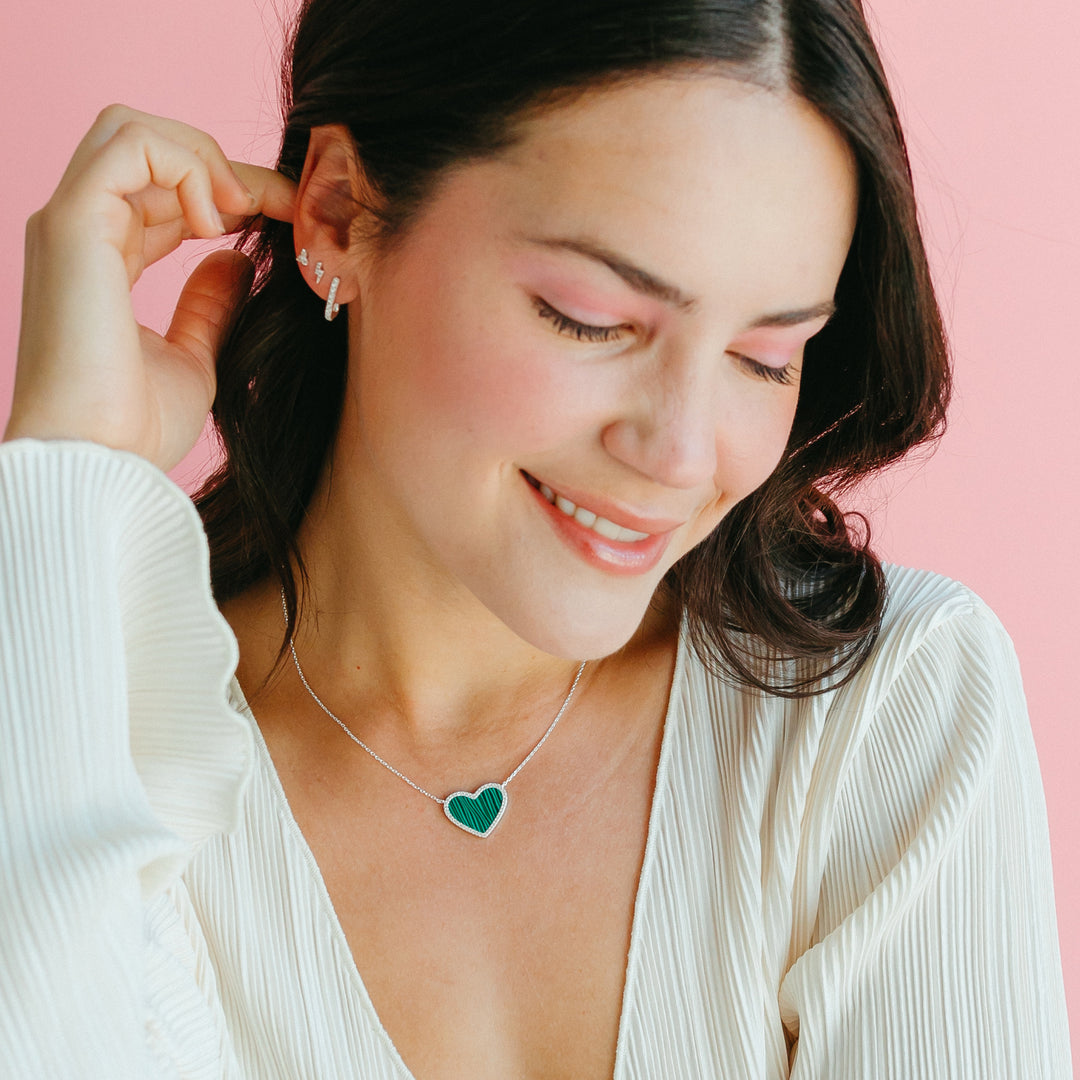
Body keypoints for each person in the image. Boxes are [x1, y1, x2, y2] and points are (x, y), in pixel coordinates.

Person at [0, 0, 1070, 1075]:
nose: (682, 454)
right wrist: (67, 476)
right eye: (591, 317)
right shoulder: (87, 746)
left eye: (765, 356)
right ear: (337, 211)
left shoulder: (885, 713)